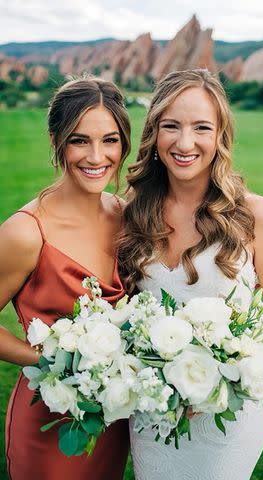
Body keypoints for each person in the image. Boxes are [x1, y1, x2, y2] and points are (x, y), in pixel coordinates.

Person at [118, 69, 263, 480]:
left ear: (220, 134)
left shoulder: (255, 214)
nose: (185, 143)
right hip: (153, 413)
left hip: (228, 417)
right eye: (171, 127)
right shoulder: (130, 211)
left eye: (201, 127)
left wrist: (234, 371)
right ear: (154, 132)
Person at [0, 77, 131, 480]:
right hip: (49, 420)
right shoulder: (25, 232)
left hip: (114, 415)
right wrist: (52, 359)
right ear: (56, 140)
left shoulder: (126, 215)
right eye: (79, 140)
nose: (97, 156)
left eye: (110, 140)